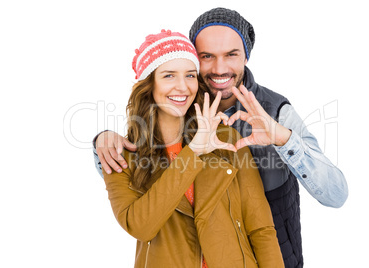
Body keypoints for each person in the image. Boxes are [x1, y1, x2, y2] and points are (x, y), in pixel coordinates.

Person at [94, 8, 348, 268]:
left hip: (278, 254)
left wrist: (283, 139)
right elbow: (135, 200)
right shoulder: (162, 131)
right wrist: (103, 143)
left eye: (231, 55)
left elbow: (332, 196)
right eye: (207, 56)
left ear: (246, 57)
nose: (219, 68)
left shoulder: (269, 113)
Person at [102, 29, 284, 267]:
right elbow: (140, 226)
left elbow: (261, 228)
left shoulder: (226, 137)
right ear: (149, 84)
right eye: (169, 76)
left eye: (189, 75)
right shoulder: (121, 156)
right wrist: (194, 151)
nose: (182, 87)